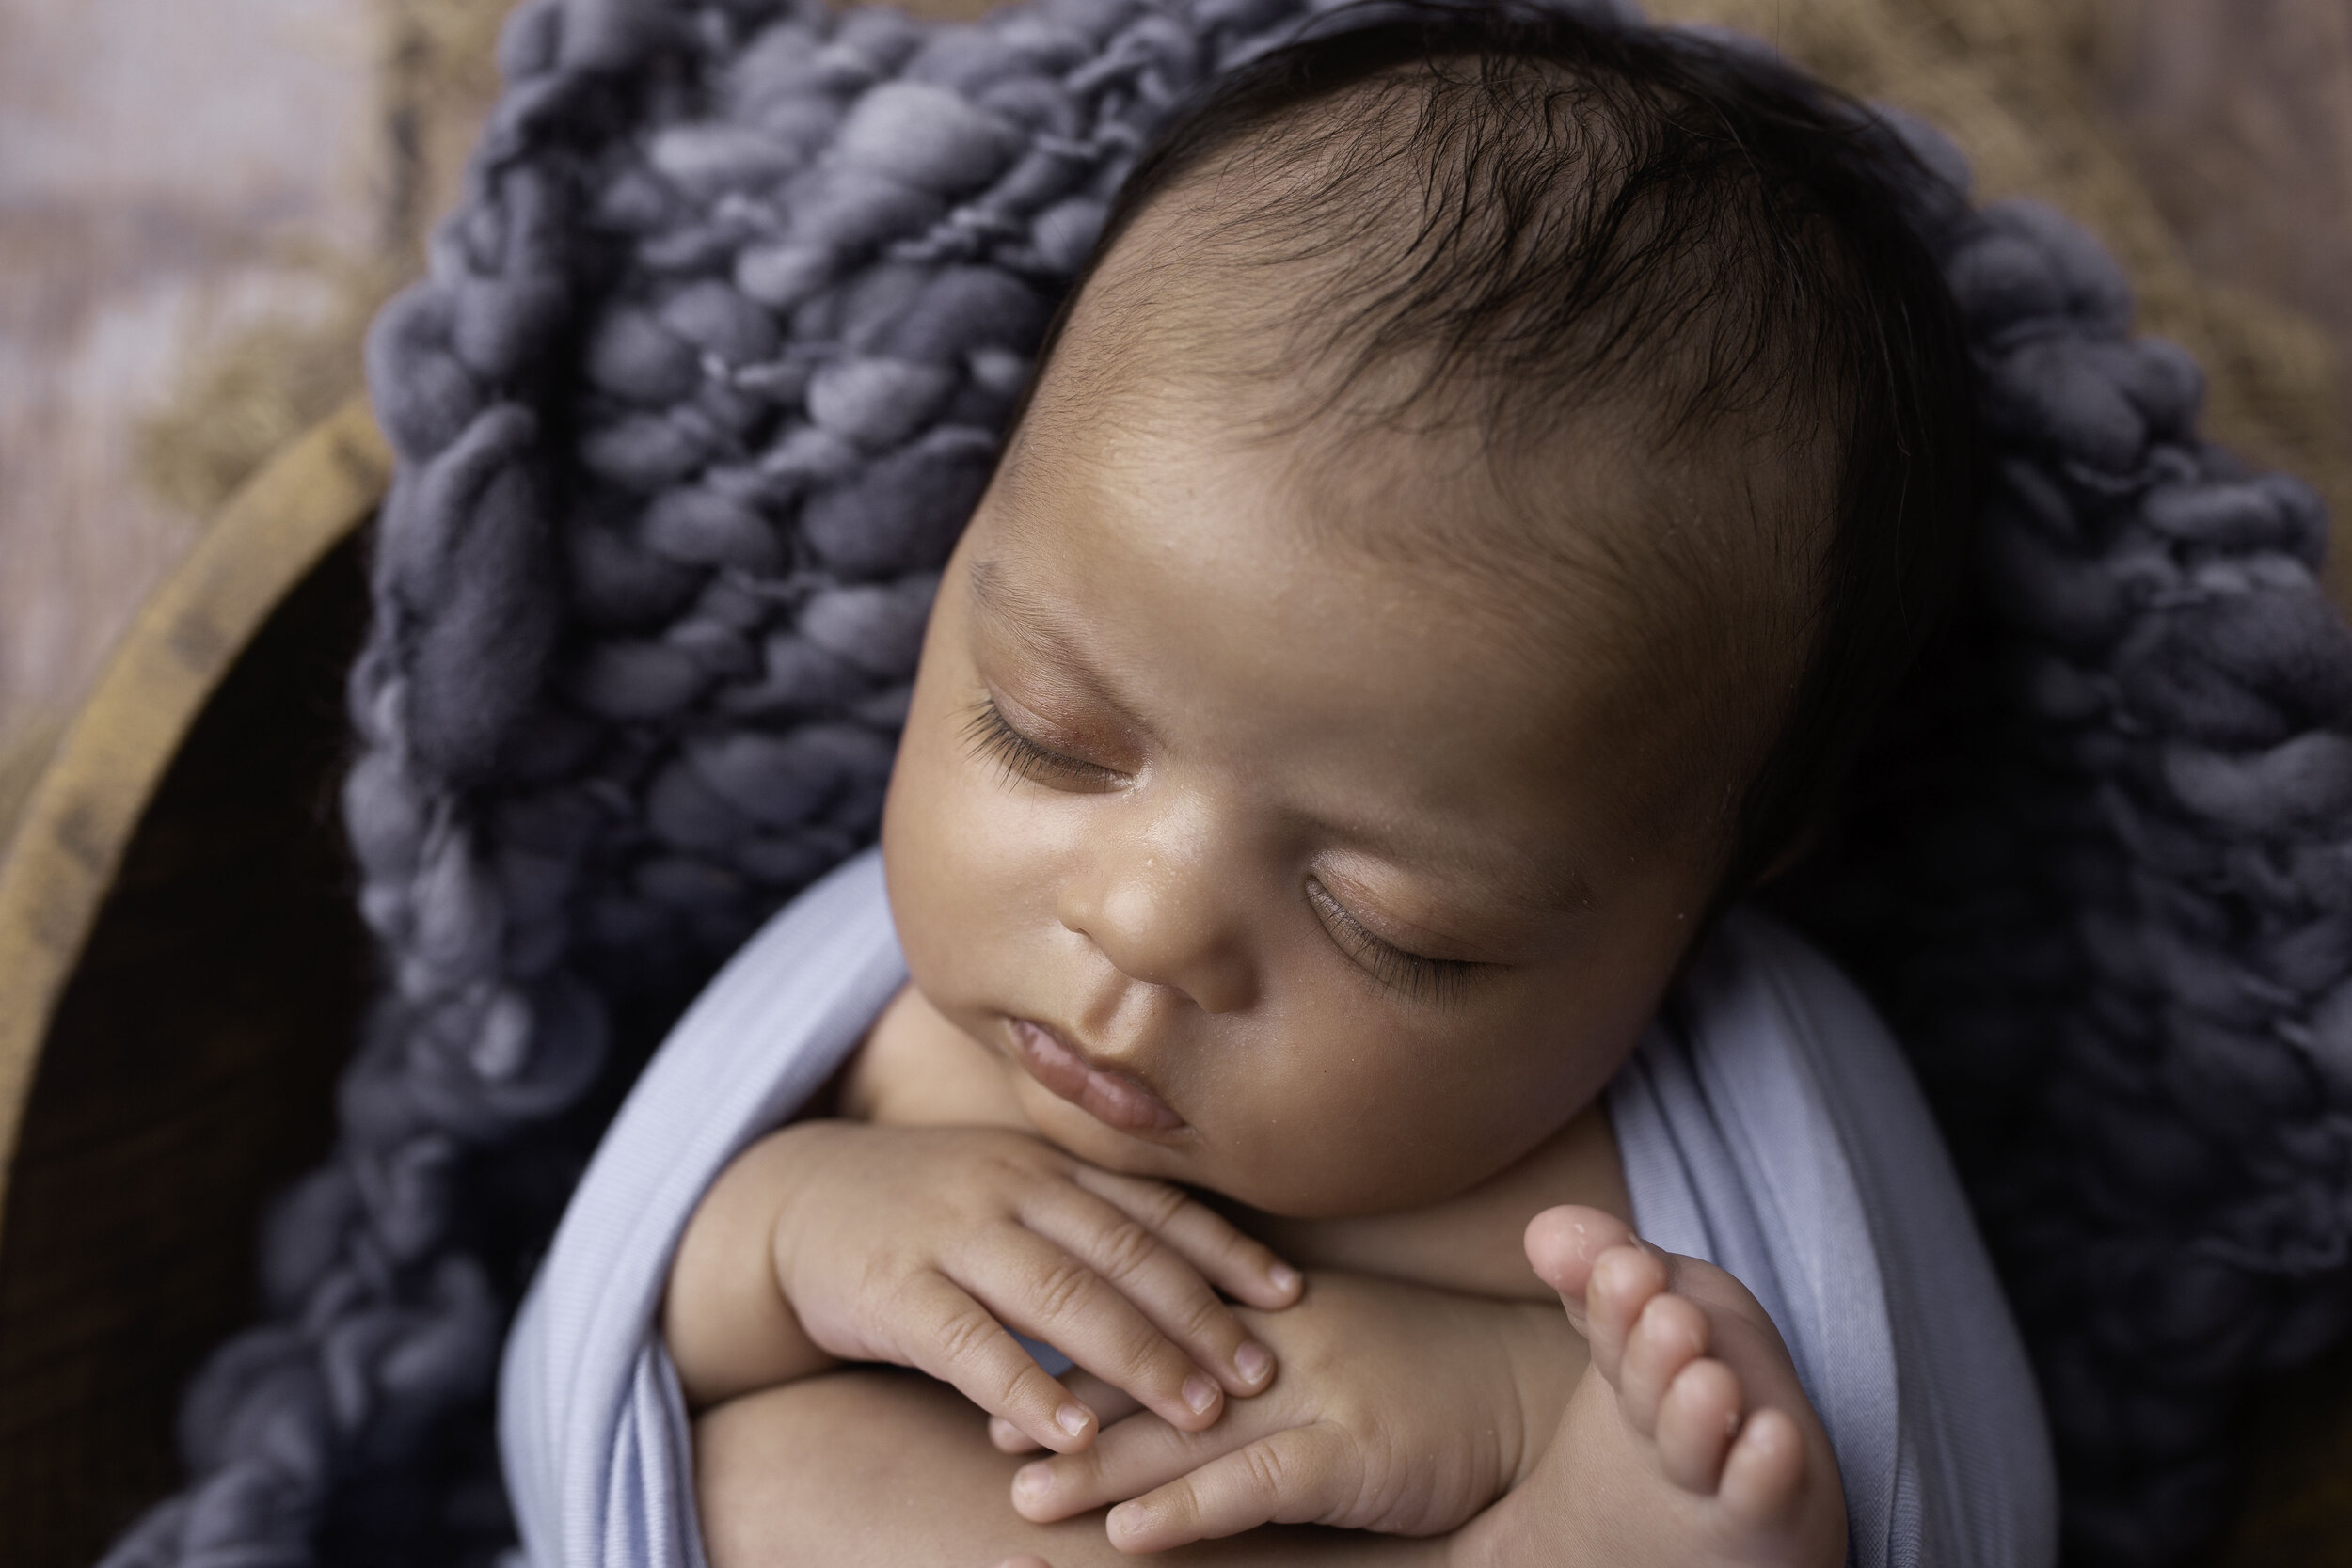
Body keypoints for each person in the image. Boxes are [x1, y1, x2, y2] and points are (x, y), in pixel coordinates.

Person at [633, 9, 2034, 1564]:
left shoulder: (1652, 1190)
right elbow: (621, 1354)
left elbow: (1919, 1483)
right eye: (1047, 735)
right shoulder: (881, 1047)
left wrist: (1519, 1402)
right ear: (964, 545)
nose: (1146, 924)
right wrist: (798, 1235)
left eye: (1393, 924)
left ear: (1719, 880)